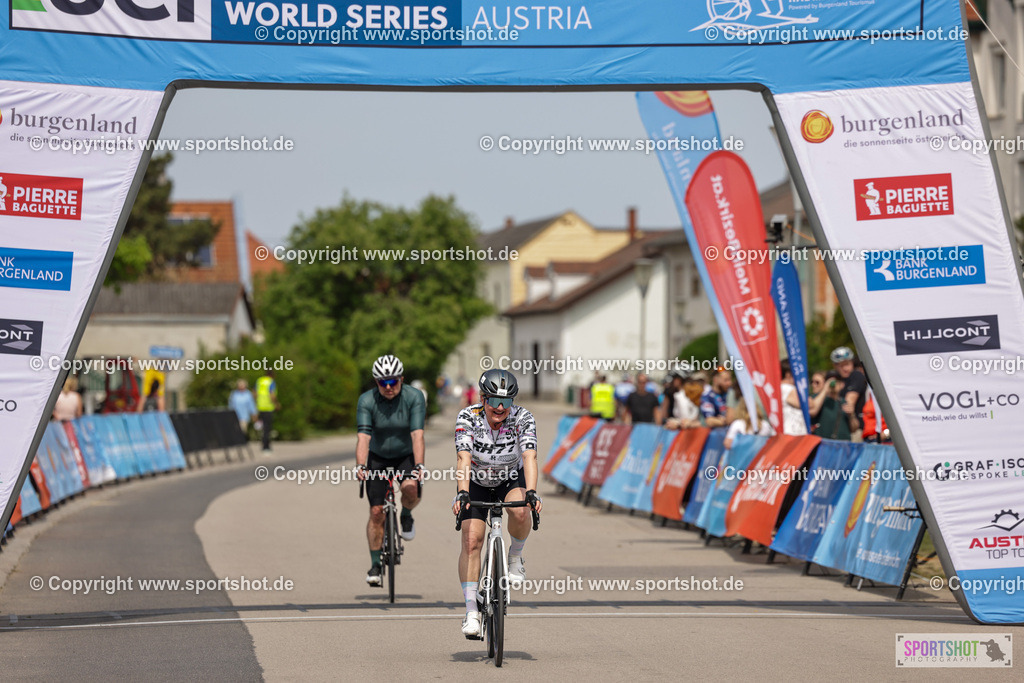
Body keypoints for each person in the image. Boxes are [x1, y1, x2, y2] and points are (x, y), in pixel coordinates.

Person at [452, 369, 541, 638]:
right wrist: (462, 493)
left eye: (507, 401)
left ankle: (515, 556)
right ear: (483, 398)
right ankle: (471, 611)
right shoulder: (468, 416)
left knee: (522, 511)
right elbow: (463, 459)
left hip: (509, 478)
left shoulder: (523, 417)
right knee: (471, 541)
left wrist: (533, 491)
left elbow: (529, 456)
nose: (500, 408)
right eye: (494, 400)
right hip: (476, 480)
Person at [356, 354, 426, 587]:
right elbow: (363, 438)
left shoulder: (413, 397)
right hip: (377, 457)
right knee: (377, 512)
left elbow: (417, 435)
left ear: (402, 379)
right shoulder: (367, 400)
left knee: (409, 488)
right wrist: (360, 465)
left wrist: (419, 466)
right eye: (382, 382)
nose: (388, 387)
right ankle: (375, 565)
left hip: (405, 455)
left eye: (393, 382)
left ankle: (405, 515)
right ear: (376, 382)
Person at [831, 346, 866, 441]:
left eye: (847, 364)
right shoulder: (838, 379)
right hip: (843, 428)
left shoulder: (856, 375)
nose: (845, 368)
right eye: (840, 365)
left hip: (857, 429)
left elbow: (849, 402)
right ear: (835, 366)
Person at [810, 371, 857, 441]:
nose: (833, 384)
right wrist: (825, 390)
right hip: (824, 446)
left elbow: (854, 429)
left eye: (836, 381)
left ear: (842, 384)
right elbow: (812, 411)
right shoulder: (817, 399)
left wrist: (851, 416)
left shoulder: (844, 402)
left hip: (843, 447)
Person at [780, 359, 808, 436]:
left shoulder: (778, 389)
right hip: (792, 436)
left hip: (787, 434)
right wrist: (825, 390)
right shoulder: (787, 388)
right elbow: (810, 405)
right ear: (788, 375)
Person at [255, 369, 280, 452]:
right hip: (268, 407)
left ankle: (262, 441)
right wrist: (276, 404)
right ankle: (266, 446)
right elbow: (272, 394)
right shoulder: (271, 381)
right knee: (267, 427)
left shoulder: (259, 380)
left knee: (261, 426)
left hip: (260, 406)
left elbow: (254, 393)